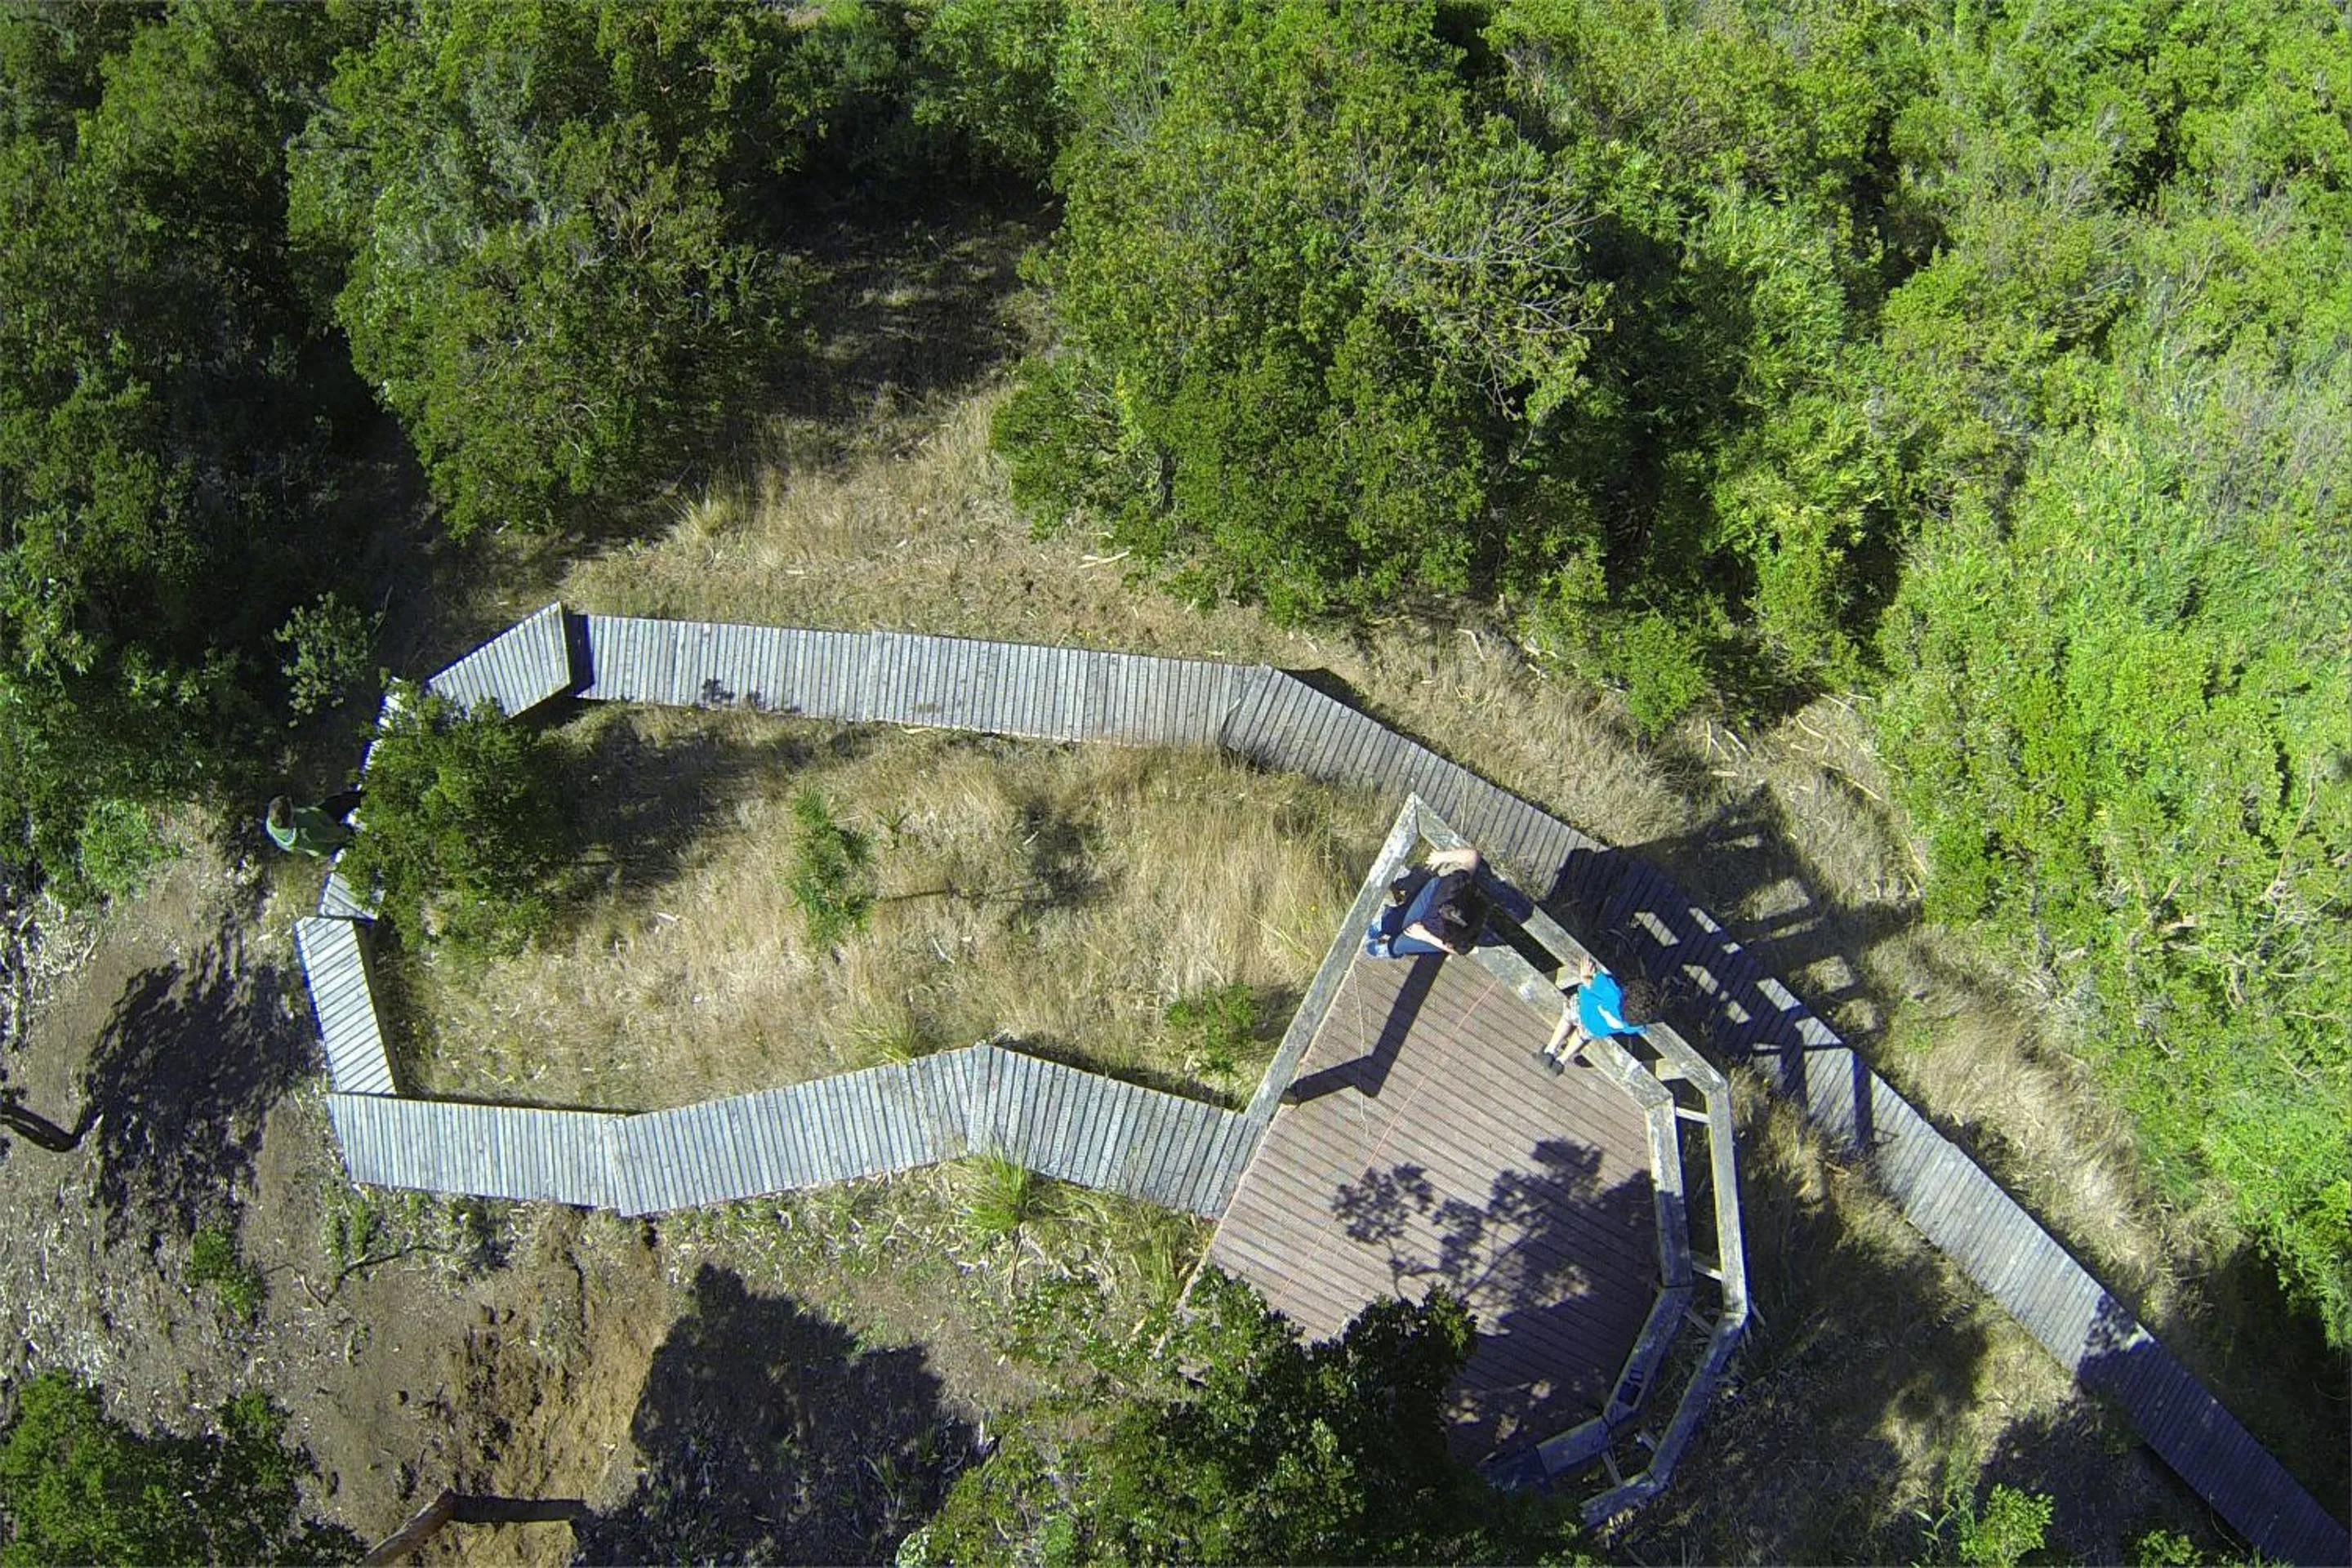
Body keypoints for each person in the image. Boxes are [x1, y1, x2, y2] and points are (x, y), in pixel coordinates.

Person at [1364, 845, 1486, 959]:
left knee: (1401, 941)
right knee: (1401, 921)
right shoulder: (1454, 886)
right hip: (1432, 896)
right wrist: (1442, 857)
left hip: (1433, 935)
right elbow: (1473, 856)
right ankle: (1386, 924)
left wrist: (1426, 936)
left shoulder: (1461, 934)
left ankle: (1391, 947)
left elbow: (1457, 950)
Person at [1542, 953, 1658, 1068]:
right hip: (1595, 1028)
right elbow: (1642, 1029)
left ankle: (1550, 1050)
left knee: (1567, 1018)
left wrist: (1585, 976)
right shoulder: (1633, 1026)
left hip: (1582, 1009)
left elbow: (1592, 983)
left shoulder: (1613, 994)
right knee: (1581, 1035)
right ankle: (1562, 1060)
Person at [265, 789, 363, 858]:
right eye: (290, 805)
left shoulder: (271, 824)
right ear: (291, 817)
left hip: (317, 820)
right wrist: (346, 831)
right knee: (349, 800)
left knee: (338, 800)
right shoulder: (305, 831)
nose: (291, 801)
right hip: (329, 834)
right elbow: (330, 835)